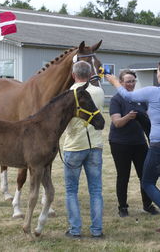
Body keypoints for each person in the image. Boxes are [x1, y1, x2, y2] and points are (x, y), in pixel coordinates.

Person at [106, 59, 160, 234]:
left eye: (157, 72)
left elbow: (127, 96)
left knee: (148, 182)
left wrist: (113, 81)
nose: (156, 75)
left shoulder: (153, 92)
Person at [63, 60, 105, 238]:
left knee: (71, 191)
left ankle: (75, 229)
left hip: (74, 146)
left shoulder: (69, 94)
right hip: (94, 145)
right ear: (89, 75)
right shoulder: (99, 91)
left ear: (73, 75)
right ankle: (96, 230)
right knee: (95, 190)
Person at [109, 69, 158, 218]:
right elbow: (117, 123)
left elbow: (149, 118)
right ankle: (123, 207)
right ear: (121, 83)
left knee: (145, 175)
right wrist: (128, 117)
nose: (131, 84)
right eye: (128, 81)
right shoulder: (116, 100)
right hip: (120, 143)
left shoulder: (141, 99)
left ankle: (147, 205)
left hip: (139, 142)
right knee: (123, 175)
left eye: (133, 81)